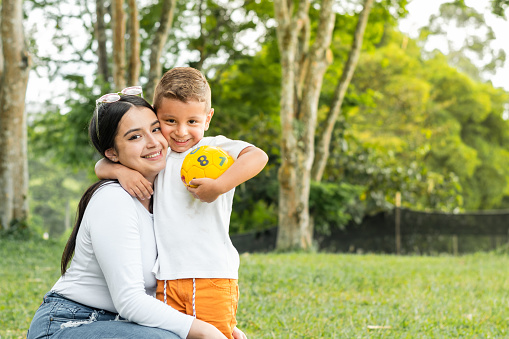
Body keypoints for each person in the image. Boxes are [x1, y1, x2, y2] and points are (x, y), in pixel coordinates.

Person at [27, 91, 242, 339]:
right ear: (112, 153)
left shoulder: (166, 193)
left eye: (156, 129)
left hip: (125, 325)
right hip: (70, 324)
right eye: (135, 137)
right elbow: (130, 301)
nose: (152, 142)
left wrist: (212, 321)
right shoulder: (113, 200)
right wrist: (203, 331)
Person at [96, 67, 268, 339]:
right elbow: (102, 164)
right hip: (167, 278)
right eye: (170, 121)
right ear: (156, 115)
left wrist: (219, 186)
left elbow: (258, 156)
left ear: (208, 118)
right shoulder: (158, 155)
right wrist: (121, 172)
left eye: (192, 122)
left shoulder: (213, 149)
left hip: (210, 274)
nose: (180, 131)